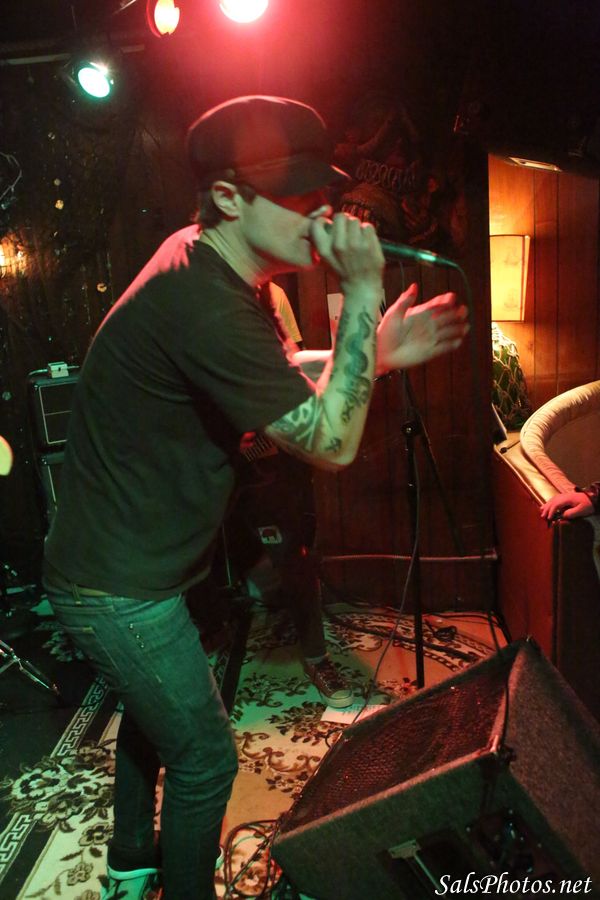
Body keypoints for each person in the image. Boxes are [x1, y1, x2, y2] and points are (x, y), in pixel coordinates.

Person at [42, 94, 468, 900]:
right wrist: (363, 295)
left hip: (130, 565)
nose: (323, 217)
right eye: (299, 200)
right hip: (117, 586)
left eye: (324, 195)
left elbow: (268, 380)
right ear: (229, 198)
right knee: (205, 757)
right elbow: (329, 443)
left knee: (157, 717)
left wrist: (369, 357)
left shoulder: (208, 262)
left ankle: (129, 861)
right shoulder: (205, 302)